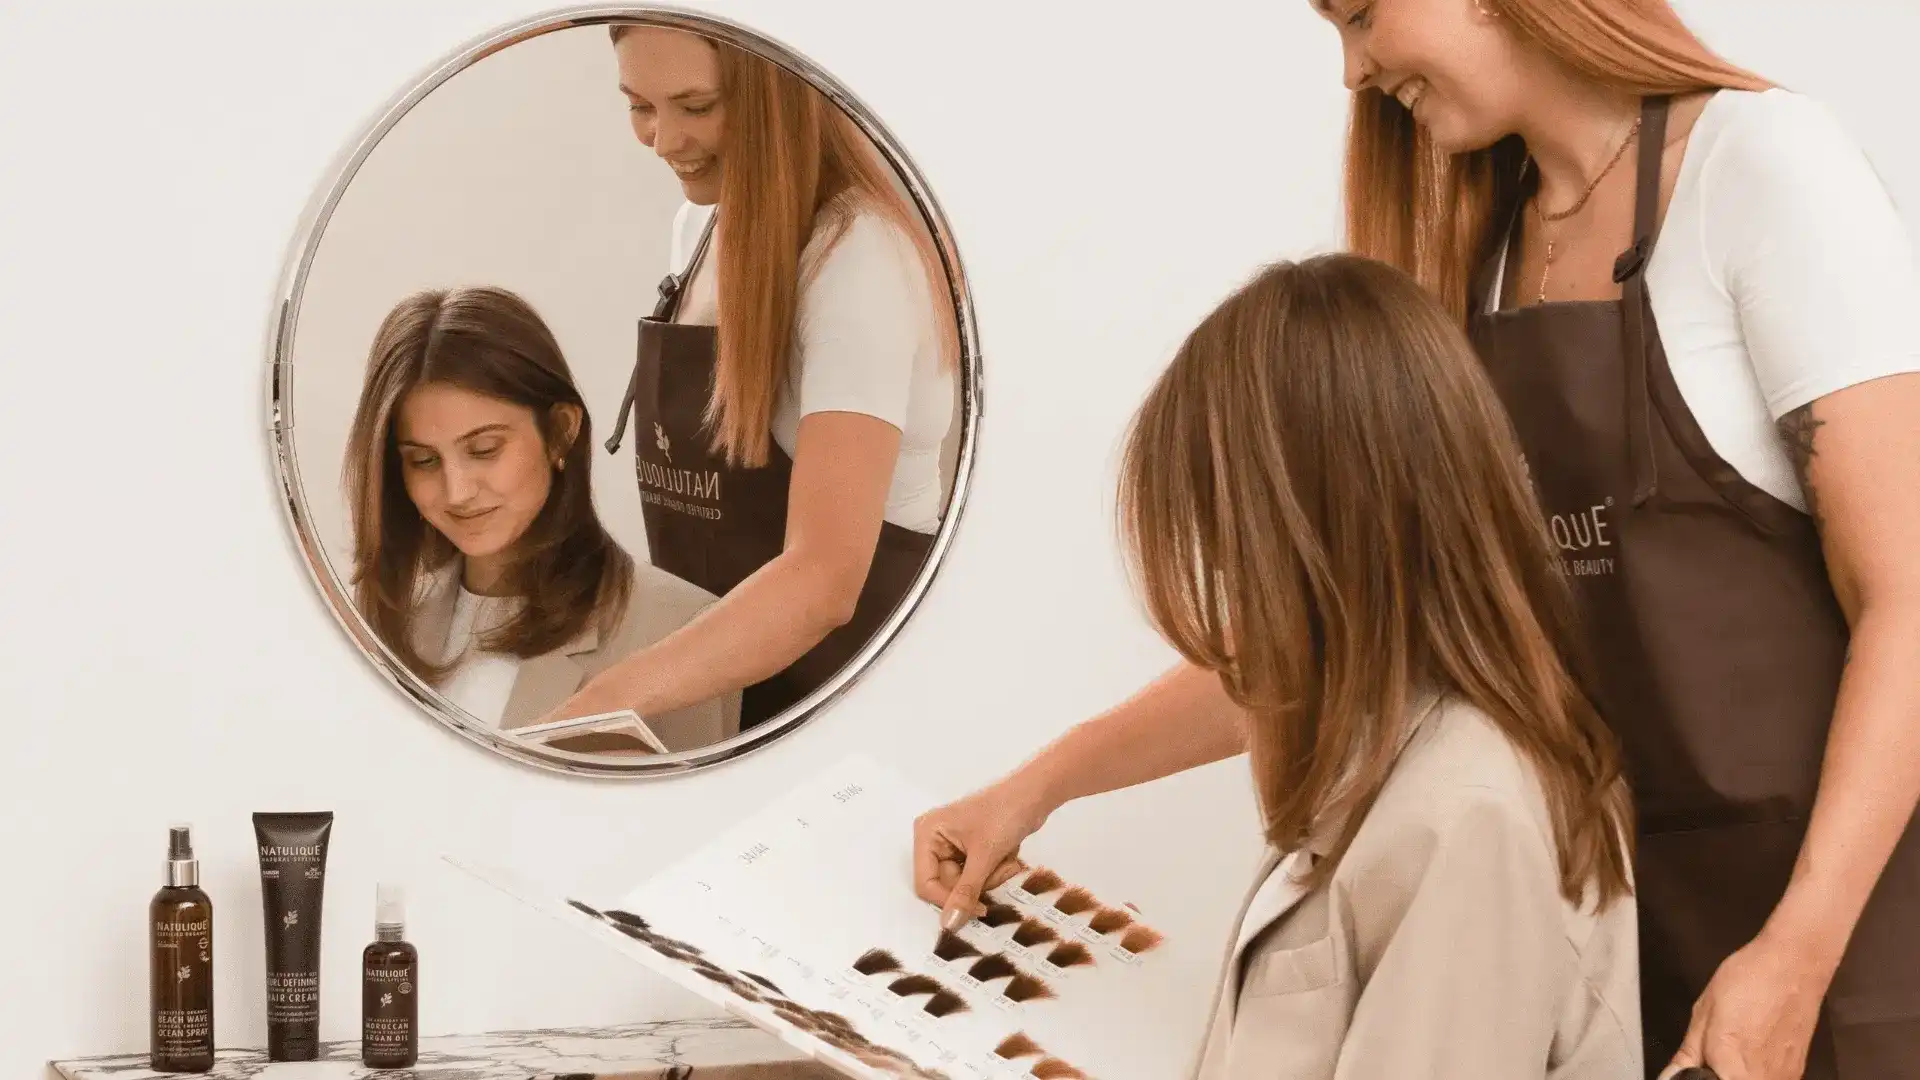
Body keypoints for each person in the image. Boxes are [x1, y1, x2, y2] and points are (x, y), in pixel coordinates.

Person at [1307, 1, 1920, 1076]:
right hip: (1629, 941)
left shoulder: (1762, 167)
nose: (1352, 71)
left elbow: (1910, 600)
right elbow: (1383, 623)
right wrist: (1042, 786)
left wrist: (1795, 957)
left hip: (1859, 933)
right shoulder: (1480, 252)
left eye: (1360, 14)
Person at [915, 255, 1644, 1078]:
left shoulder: (1466, 819)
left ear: (1323, 543)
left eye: (1234, 552)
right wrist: (1032, 790)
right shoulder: (1392, 759)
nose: (1229, 588)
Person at [534, 22, 962, 732]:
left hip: (848, 716)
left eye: (697, 106)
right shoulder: (697, 229)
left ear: (781, 94)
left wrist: (606, 702)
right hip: (719, 710)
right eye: (639, 106)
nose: (665, 140)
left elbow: (824, 582)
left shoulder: (858, 260)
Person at [342, 285, 740, 753]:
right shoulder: (379, 620)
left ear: (560, 432)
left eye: (484, 449)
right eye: (424, 461)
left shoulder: (677, 628)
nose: (458, 491)